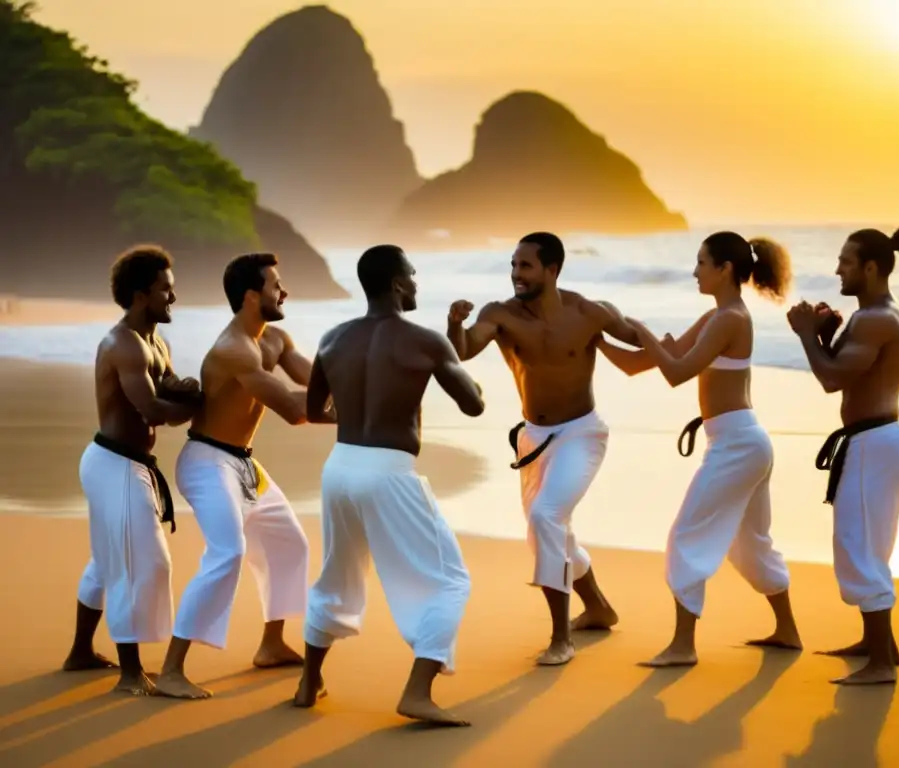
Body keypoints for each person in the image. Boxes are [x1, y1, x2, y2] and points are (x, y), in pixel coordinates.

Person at [294, 245, 483, 727]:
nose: (417, 283)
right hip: (388, 472)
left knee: (336, 576)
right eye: (413, 275)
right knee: (450, 580)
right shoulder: (424, 341)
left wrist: (359, 417)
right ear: (398, 285)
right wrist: (447, 349)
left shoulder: (333, 338)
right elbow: (474, 404)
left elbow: (315, 411)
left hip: (340, 466)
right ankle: (418, 692)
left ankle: (308, 681)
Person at [601, 232, 801, 666]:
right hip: (740, 443)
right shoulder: (717, 318)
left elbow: (675, 372)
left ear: (725, 269)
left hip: (737, 446)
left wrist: (643, 331)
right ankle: (787, 631)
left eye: (701, 263)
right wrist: (597, 339)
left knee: (686, 536)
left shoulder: (729, 318)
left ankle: (682, 647)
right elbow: (644, 364)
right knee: (750, 545)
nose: (694, 271)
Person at [446, 231, 641, 666]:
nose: (516, 274)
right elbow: (463, 350)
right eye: (513, 265)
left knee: (546, 517)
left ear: (552, 270)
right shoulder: (501, 314)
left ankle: (560, 639)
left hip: (582, 434)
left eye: (526, 266)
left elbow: (641, 340)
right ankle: (599, 608)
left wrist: (710, 344)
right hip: (533, 440)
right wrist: (456, 323)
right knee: (547, 534)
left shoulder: (589, 312)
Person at [154, 253, 322, 699]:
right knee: (228, 552)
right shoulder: (234, 349)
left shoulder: (276, 340)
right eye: (275, 285)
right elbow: (292, 409)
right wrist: (367, 416)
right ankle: (171, 670)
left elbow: (318, 387)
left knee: (290, 543)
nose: (283, 291)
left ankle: (270, 645)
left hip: (244, 464)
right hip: (207, 461)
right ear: (252, 296)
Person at [64, 245, 203, 695]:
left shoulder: (155, 342)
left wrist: (188, 391)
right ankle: (129, 674)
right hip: (115, 464)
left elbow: (170, 386)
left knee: (107, 563)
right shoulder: (122, 343)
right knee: (145, 562)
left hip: (124, 464)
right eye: (166, 291)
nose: (173, 299)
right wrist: (193, 406)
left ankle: (80, 653)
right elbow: (152, 409)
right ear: (142, 295)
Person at [786, 225, 899, 686]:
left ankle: (881, 664)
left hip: (875, 443)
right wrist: (825, 334)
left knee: (859, 550)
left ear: (871, 267)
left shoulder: (876, 318)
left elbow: (832, 379)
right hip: (876, 442)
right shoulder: (877, 314)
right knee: (866, 547)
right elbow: (844, 370)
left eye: (845, 261)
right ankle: (877, 645)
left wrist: (806, 334)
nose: (837, 269)